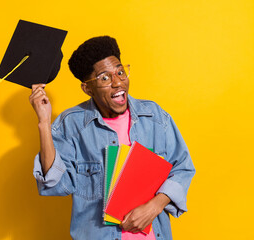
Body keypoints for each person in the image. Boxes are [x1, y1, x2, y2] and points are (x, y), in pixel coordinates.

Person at [29, 36, 195, 240]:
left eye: (120, 72)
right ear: (87, 88)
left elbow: (183, 168)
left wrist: (154, 206)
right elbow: (54, 185)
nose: (117, 82)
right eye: (104, 78)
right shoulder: (71, 125)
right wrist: (44, 123)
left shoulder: (155, 117)